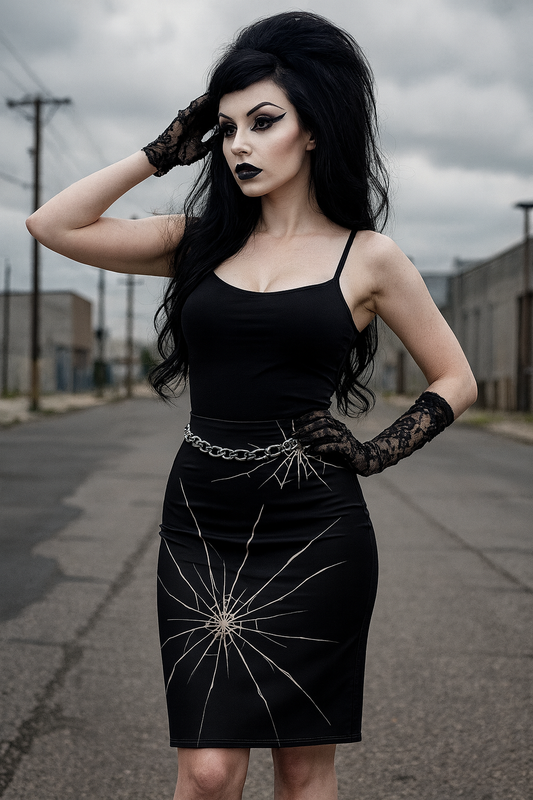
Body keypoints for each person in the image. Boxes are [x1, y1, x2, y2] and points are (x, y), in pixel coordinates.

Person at [26, 11, 477, 800]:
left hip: (316, 532)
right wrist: (160, 151)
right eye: (227, 127)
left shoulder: (368, 257)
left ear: (313, 130)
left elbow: (455, 378)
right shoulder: (195, 241)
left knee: (302, 771)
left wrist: (373, 452)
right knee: (206, 771)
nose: (238, 144)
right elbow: (51, 224)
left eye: (262, 122)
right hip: (202, 522)